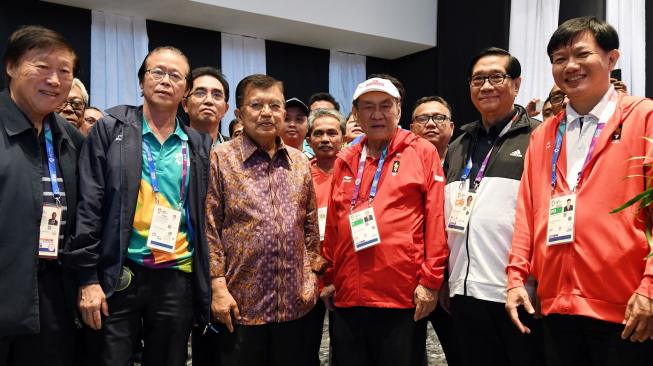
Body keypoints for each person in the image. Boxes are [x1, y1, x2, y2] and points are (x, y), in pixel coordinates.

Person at [506, 16, 653, 366]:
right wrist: (515, 279)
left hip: (626, 309)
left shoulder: (644, 116)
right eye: (558, 59)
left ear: (611, 59)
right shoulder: (544, 134)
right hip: (555, 306)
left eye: (581, 54)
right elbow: (527, 213)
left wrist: (649, 287)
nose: (569, 66)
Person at [63, 46, 213, 366]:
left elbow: (202, 219)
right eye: (156, 72)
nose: (164, 80)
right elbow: (90, 205)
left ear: (185, 90)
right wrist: (88, 278)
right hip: (120, 274)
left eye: (175, 75)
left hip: (176, 276)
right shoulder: (111, 128)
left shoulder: (197, 144)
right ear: (142, 80)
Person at [320, 77, 448, 366]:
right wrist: (328, 277)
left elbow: (435, 219)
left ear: (399, 110)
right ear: (355, 114)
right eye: (368, 107)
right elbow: (333, 224)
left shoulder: (421, 151)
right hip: (348, 293)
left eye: (385, 106)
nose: (376, 114)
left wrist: (430, 281)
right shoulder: (346, 157)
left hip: (401, 295)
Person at [205, 74, 325, 366]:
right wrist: (218, 288)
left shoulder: (298, 162)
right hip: (242, 304)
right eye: (256, 105)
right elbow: (209, 228)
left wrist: (313, 274)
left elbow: (310, 223)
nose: (267, 113)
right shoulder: (221, 158)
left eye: (275, 105)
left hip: (296, 303)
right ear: (239, 113)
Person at [443, 47, 542, 366]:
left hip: (517, 292)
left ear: (516, 83)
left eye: (496, 77)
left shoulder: (539, 137)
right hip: (464, 292)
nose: (485, 86)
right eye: (477, 79)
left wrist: (539, 282)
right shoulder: (459, 145)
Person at [0, 25, 84, 366]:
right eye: (41, 67)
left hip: (51, 296)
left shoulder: (72, 141)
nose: (54, 80)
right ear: (11, 66)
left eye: (64, 71)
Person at [305, 107, 346, 365]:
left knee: (343, 349)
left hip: (345, 274)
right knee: (305, 348)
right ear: (309, 139)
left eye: (332, 133)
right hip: (309, 274)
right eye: (318, 133)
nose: (325, 139)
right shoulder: (299, 173)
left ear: (343, 137)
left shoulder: (357, 172)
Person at [182, 66, 230, 145]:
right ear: (185, 105)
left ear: (225, 109)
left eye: (217, 95)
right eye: (200, 93)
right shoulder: (171, 148)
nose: (209, 100)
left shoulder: (237, 151)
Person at [410, 96, 455, 160]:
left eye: (439, 118)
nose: (430, 124)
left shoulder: (465, 160)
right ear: (412, 129)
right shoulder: (401, 161)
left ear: (451, 128)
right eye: (422, 119)